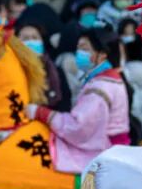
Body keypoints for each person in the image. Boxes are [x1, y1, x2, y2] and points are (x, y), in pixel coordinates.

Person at [26, 28, 129, 174]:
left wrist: (41, 113)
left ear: (102, 55)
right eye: (78, 48)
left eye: (85, 49)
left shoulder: (100, 87)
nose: (79, 53)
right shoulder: (108, 80)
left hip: (102, 153)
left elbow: (78, 127)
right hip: (113, 148)